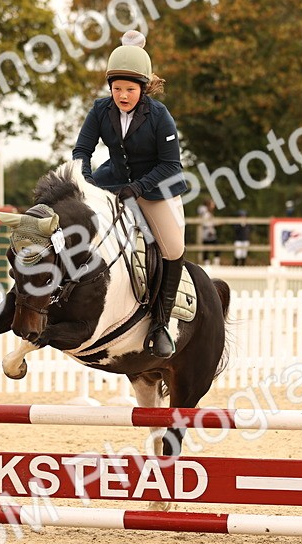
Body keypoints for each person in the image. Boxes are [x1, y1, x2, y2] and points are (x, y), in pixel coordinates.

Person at [72, 30, 187, 358]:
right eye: (117, 88)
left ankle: (160, 324)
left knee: (174, 248)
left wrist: (137, 189)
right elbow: (82, 149)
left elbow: (170, 165)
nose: (122, 95)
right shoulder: (99, 110)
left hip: (155, 186)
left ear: (144, 88)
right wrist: (86, 181)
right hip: (114, 180)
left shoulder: (160, 116)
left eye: (129, 89)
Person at [197, 199, 218, 265]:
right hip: (207, 232)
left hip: (210, 231)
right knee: (207, 248)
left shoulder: (209, 213)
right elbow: (206, 222)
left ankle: (214, 261)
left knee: (215, 246)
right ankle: (207, 262)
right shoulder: (204, 212)